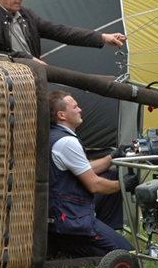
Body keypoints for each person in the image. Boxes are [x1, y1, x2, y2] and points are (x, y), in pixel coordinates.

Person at [47, 90, 136, 258]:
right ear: (62, 115)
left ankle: (103, 230)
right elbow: (94, 185)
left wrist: (113, 156)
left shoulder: (55, 135)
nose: (80, 109)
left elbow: (84, 168)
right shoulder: (67, 142)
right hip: (69, 217)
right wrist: (123, 185)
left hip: (59, 210)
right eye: (75, 107)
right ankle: (68, 246)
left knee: (112, 174)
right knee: (127, 253)